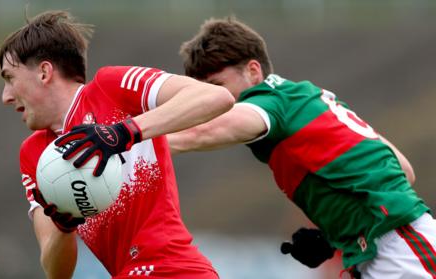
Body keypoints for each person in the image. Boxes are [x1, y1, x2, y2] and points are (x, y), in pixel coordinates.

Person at [168, 17, 436, 278]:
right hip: (383, 247)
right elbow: (404, 169)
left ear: (253, 70)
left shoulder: (272, 104)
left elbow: (202, 132)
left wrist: (134, 141)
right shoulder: (306, 98)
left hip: (399, 245)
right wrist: (331, 235)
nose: (212, 102)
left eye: (217, 87)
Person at [0, 11, 234, 279]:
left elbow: (216, 97)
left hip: (175, 270)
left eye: (9, 78)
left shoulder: (110, 88)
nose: (6, 96)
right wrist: (63, 225)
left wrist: (123, 132)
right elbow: (56, 271)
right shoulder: (34, 155)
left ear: (44, 72)